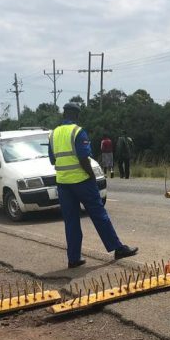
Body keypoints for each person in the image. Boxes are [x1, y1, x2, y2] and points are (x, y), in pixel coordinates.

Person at [50, 102, 138, 268]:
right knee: (99, 214)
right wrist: (91, 177)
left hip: (63, 184)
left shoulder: (53, 134)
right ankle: (117, 247)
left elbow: (52, 159)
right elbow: (84, 159)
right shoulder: (77, 131)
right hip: (82, 181)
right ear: (76, 115)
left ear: (64, 114)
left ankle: (74, 258)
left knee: (71, 221)